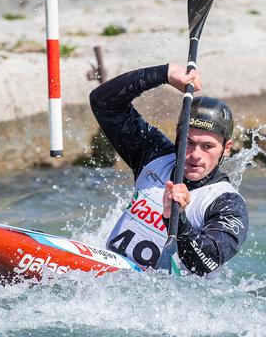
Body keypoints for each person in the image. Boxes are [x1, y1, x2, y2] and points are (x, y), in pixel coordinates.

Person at [90, 63, 249, 277]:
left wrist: (177, 219)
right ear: (177, 136)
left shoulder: (227, 204)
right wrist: (163, 74)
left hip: (165, 304)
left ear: (226, 148)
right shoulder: (154, 155)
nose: (195, 154)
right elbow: (104, 103)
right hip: (108, 281)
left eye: (208, 146)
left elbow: (207, 262)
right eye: (188, 142)